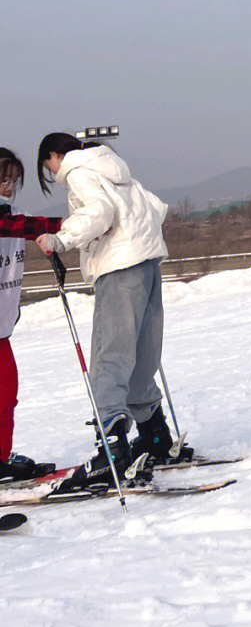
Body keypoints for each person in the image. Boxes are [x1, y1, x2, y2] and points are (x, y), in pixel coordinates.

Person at [35, 134, 175, 488]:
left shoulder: (78, 171)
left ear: (54, 155)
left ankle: (113, 452)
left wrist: (61, 239)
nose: (53, 174)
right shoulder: (115, 168)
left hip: (119, 269)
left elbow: (99, 212)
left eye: (48, 166)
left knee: (109, 360)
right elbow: (156, 208)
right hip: (147, 265)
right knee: (143, 357)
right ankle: (155, 436)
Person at [0, 148, 62, 482]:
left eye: (13, 180)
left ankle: (0, 459)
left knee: (7, 397)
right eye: (3, 179)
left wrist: (51, 237)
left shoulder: (14, 216)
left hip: (2, 330)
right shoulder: (7, 220)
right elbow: (15, 226)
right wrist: (67, 224)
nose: (8, 186)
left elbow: (23, 228)